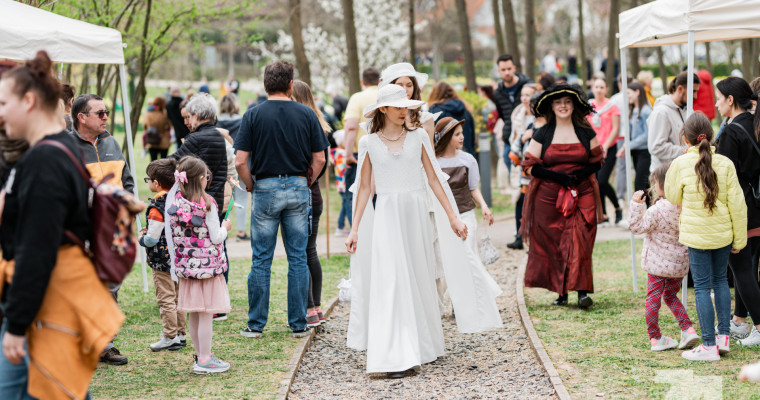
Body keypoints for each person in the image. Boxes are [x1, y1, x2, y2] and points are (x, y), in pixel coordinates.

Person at [345, 84, 501, 378]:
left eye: (407, 105)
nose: (405, 110)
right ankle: (394, 356)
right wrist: (354, 230)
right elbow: (365, 188)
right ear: (384, 110)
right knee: (391, 281)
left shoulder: (418, 137)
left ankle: (421, 346)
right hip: (388, 217)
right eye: (398, 106)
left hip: (415, 215)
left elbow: (434, 179)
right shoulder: (368, 144)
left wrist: (454, 218)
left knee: (417, 278)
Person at [0, 50, 124, 399]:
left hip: (44, 311)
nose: (0, 112)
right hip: (46, 307)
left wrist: (17, 325)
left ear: (28, 101)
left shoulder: (46, 160)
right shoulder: (54, 152)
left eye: (3, 102)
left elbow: (38, 250)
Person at [234, 60, 328, 339]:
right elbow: (320, 157)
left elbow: (240, 161)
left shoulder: (252, 115)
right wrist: (307, 180)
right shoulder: (307, 114)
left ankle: (256, 324)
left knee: (261, 258)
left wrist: (251, 185)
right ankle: (298, 322)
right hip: (299, 186)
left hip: (264, 187)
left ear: (265, 85)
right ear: (290, 85)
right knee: (298, 257)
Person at [665, 113, 747, 361]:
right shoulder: (725, 163)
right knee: (721, 281)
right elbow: (738, 204)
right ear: (712, 137)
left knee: (702, 287)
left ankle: (709, 346)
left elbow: (672, 196)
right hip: (723, 234)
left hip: (696, 236)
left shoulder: (680, 164)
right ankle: (723, 338)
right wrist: (739, 240)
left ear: (685, 138)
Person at [521, 84, 604, 308]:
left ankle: (582, 293)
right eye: (558, 102)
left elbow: (598, 160)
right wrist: (557, 177)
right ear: (551, 106)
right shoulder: (543, 133)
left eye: (567, 102)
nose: (563, 106)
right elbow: (528, 166)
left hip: (582, 192)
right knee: (556, 244)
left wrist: (579, 175)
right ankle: (561, 292)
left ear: (574, 105)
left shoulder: (586, 132)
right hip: (549, 198)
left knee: (581, 240)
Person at [70, 92, 134, 365]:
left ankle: (104, 344)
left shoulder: (112, 143)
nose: (106, 117)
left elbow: (127, 180)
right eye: (100, 113)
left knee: (111, 287)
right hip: (84, 232)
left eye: (106, 112)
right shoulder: (66, 148)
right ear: (81, 118)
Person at [165, 156, 232, 373]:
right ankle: (205, 359)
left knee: (194, 313)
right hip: (207, 269)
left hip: (187, 268)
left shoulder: (176, 203)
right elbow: (215, 237)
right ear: (201, 178)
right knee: (205, 314)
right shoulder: (208, 204)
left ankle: (199, 354)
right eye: (207, 177)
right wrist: (226, 227)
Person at [628, 162, 698, 352]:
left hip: (657, 266)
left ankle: (655, 337)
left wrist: (636, 205)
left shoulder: (657, 210)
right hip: (679, 265)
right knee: (670, 296)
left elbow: (636, 227)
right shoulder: (687, 207)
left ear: (662, 185)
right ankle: (688, 329)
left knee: (653, 299)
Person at [714, 77, 760, 345]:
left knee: (742, 270)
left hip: (741, 208)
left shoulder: (732, 131)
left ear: (730, 100)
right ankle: (740, 323)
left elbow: (725, 177)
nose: (717, 104)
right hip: (755, 205)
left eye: (719, 99)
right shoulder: (752, 125)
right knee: (748, 268)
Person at [291, 80, 331, 328]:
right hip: (314, 194)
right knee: (310, 251)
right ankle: (315, 306)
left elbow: (319, 161)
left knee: (301, 254)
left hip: (304, 192)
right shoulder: (320, 124)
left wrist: (305, 180)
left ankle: (309, 308)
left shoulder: (303, 125)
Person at [139, 158, 187, 352]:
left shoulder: (156, 207)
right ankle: (181, 333)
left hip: (161, 261)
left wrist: (142, 238)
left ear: (156, 183)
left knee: (165, 298)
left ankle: (170, 335)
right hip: (180, 258)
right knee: (179, 297)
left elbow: (151, 239)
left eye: (148, 179)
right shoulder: (179, 199)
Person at [435, 117, 494, 254]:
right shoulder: (434, 163)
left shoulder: (468, 160)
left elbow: (473, 188)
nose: (462, 137)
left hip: (466, 213)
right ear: (445, 137)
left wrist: (484, 206)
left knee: (468, 252)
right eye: (457, 134)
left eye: (461, 133)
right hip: (444, 217)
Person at [171, 93, 227, 220]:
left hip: (199, 203)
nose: (187, 121)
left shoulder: (197, 138)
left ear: (196, 115)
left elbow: (173, 161)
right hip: (215, 199)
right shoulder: (217, 136)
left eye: (189, 116)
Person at [343, 67, 380, 236]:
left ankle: (359, 231)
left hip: (361, 154)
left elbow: (351, 127)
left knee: (355, 193)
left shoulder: (357, 98)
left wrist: (348, 154)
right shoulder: (384, 97)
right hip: (383, 152)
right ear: (379, 81)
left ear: (362, 81)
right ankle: (379, 231)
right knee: (379, 194)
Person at [508, 91, 544, 250]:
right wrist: (522, 139)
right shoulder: (530, 126)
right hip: (526, 178)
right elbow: (517, 144)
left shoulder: (548, 127)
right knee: (522, 205)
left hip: (542, 176)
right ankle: (520, 235)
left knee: (539, 208)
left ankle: (537, 241)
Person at [648, 71, 700, 173]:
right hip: (664, 175)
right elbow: (656, 147)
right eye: (693, 91)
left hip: (682, 172)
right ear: (680, 89)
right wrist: (688, 150)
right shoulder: (661, 112)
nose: (695, 96)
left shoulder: (689, 111)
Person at [493, 54, 532, 178]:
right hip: (509, 140)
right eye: (503, 70)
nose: (507, 72)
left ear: (514, 68)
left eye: (509, 69)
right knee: (515, 180)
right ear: (498, 71)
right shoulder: (498, 93)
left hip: (529, 139)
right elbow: (502, 116)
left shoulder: (527, 86)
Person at [217, 93, 249, 240]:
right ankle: (241, 232)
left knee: (223, 198)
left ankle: (222, 228)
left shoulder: (215, 123)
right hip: (239, 163)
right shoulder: (243, 121)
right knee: (241, 198)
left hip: (220, 166)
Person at [379, 62, 435, 141]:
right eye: (399, 85)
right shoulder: (380, 118)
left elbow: (430, 151)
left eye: (409, 85)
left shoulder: (426, 119)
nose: (404, 90)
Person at [428, 82, 476, 156]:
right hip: (466, 158)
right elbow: (472, 138)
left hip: (443, 159)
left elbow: (431, 139)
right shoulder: (465, 110)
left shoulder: (434, 112)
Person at [627, 81, 653, 203]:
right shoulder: (632, 110)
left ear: (637, 92)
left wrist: (629, 145)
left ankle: (643, 212)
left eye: (629, 93)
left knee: (639, 185)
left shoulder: (646, 110)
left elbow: (647, 134)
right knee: (645, 184)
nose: (627, 97)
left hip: (644, 152)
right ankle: (653, 209)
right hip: (635, 152)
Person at [144, 96, 172, 161]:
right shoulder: (165, 114)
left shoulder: (148, 113)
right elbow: (169, 126)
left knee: (153, 161)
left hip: (152, 140)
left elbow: (145, 125)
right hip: (163, 140)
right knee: (163, 163)